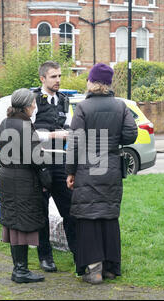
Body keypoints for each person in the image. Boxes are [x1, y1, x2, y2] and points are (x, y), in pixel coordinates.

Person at [65, 63, 138, 284]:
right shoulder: (120, 106)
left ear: (92, 82)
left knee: (88, 216)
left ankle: (94, 270)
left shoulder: (83, 109)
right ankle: (111, 268)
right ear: (108, 84)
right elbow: (130, 134)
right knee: (108, 214)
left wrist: (70, 171)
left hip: (88, 167)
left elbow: (75, 142)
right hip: (111, 165)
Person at [0, 88, 50, 284]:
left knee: (13, 222)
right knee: (22, 223)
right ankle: (21, 270)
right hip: (23, 179)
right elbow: (36, 158)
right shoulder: (26, 126)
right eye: (33, 103)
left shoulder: (5, 123)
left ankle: (19, 268)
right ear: (27, 106)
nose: (35, 106)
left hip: (7, 176)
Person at [31, 61, 77, 273]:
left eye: (59, 76)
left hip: (59, 163)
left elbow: (69, 127)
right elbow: (27, 132)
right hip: (39, 163)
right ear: (42, 78)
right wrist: (51, 134)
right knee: (40, 213)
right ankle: (45, 257)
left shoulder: (64, 101)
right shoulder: (33, 100)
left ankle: (79, 254)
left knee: (69, 210)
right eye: (53, 77)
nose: (58, 80)